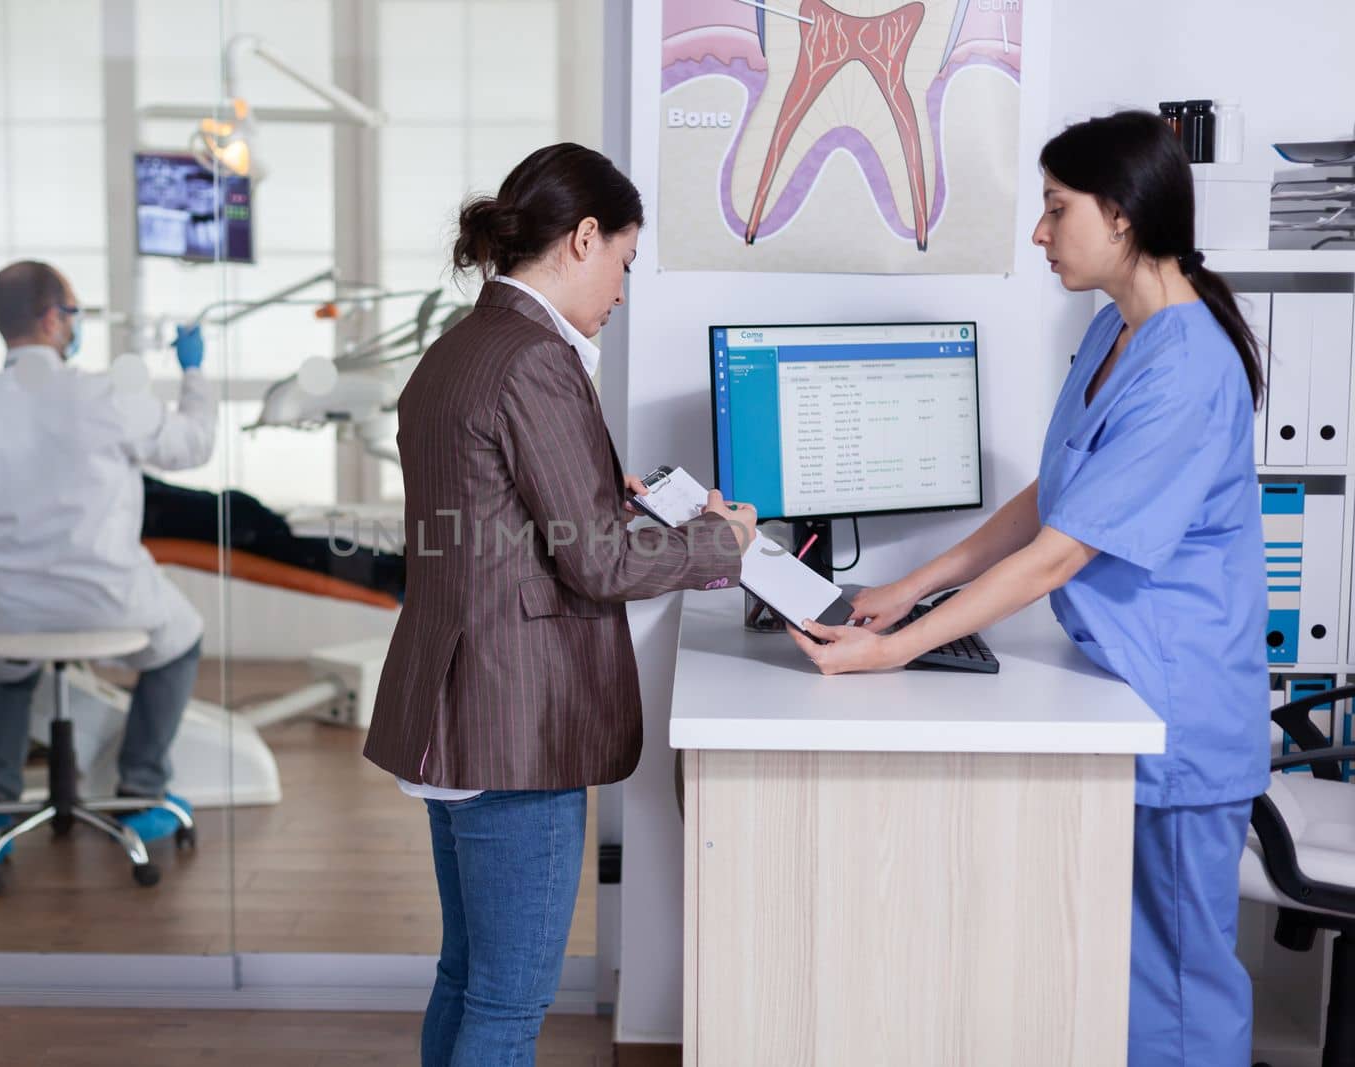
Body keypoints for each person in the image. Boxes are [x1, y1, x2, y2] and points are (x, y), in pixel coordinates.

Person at [786, 111, 1267, 1067]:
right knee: (1109, 971)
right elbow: (1055, 493)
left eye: (1055, 210)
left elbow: (1061, 554)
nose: (1040, 234)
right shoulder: (1114, 335)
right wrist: (902, 589)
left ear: (1122, 215)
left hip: (1180, 710)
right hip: (1119, 685)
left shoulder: (1187, 366)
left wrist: (897, 648)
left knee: (1176, 988)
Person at [362, 143, 758, 1065]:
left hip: (453, 707)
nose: (622, 290)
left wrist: (601, 491)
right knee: (508, 1003)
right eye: (623, 260)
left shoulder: (461, 348)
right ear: (584, 238)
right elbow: (601, 565)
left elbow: (500, 519)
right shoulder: (539, 361)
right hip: (515, 721)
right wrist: (723, 541)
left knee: (467, 977)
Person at [0, 258, 405, 601]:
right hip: (77, 520)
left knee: (245, 513)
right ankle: (396, 577)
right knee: (244, 521)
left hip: (75, 509)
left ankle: (396, 572)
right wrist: (190, 373)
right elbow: (5, 470)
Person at [0, 260, 217, 852]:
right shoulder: (104, 393)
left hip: (9, 608)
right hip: (109, 603)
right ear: (56, 319)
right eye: (75, 312)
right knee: (182, 639)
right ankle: (141, 790)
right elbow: (192, 446)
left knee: (4, 671)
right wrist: (194, 373)